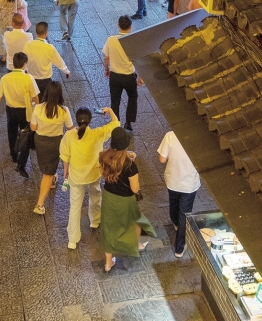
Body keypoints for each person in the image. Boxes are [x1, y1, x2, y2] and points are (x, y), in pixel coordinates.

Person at [59, 106, 119, 250]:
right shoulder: (97, 134)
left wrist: (65, 171)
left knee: (75, 207)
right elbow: (116, 124)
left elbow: (65, 155)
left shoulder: (69, 135)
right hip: (93, 175)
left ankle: (72, 240)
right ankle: (95, 221)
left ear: (76, 120)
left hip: (76, 176)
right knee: (95, 196)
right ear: (90, 121)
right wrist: (110, 111)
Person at [99, 127, 157, 272]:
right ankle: (134, 245)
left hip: (108, 197)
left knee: (108, 228)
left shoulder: (104, 157)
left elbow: (102, 173)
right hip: (125, 200)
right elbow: (135, 189)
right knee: (135, 221)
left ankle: (108, 263)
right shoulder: (131, 166)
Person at [0, 51, 39, 177]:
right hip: (25, 111)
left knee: (11, 132)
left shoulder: (5, 78)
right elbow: (35, 97)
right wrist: (38, 109)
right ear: (24, 64)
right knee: (26, 136)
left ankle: (13, 155)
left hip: (11, 110)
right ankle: (21, 164)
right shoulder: (28, 78)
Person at [30, 80, 74, 215]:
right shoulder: (64, 111)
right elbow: (70, 129)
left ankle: (53, 179)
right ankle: (39, 205)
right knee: (47, 173)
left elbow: (33, 128)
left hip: (40, 142)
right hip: (56, 143)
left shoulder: (38, 108)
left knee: (47, 166)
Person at [158, 131, 201, 257]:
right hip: (189, 183)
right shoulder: (199, 138)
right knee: (185, 214)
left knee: (174, 203)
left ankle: (175, 222)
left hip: (172, 179)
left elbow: (162, 159)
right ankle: (179, 248)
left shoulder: (170, 135)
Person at [103, 15, 144, 131]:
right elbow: (139, 59)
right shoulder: (133, 41)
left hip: (115, 76)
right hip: (129, 76)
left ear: (118, 26)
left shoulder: (111, 40)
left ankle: (116, 124)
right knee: (132, 97)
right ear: (131, 27)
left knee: (115, 100)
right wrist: (141, 76)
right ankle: (128, 123)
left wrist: (106, 69)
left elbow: (106, 58)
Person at [25, 21, 70, 100]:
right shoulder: (49, 48)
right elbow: (59, 62)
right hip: (45, 80)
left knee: (33, 99)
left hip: (31, 78)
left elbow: (24, 60)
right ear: (46, 33)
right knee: (44, 100)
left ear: (36, 31)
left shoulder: (27, 45)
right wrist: (66, 71)